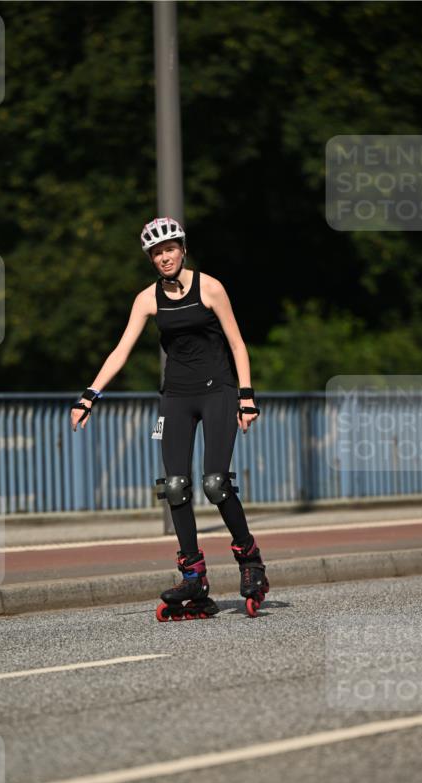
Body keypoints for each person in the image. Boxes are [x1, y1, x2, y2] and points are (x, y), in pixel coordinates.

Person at [71, 216, 269, 620]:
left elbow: (237, 343)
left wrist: (246, 397)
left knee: (215, 483)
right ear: (151, 258)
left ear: (182, 249)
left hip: (219, 391)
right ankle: (193, 577)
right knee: (175, 486)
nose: (165, 256)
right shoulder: (147, 299)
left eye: (170, 248)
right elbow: (120, 350)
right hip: (176, 396)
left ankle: (251, 562)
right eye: (157, 252)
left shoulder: (209, 287)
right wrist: (89, 395)